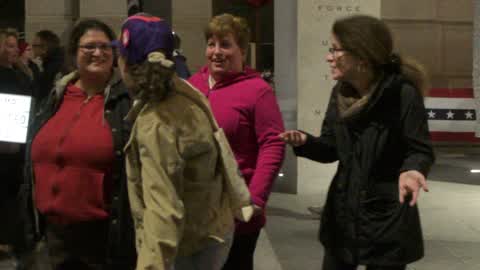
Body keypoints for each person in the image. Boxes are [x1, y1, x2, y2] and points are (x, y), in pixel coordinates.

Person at [279, 15, 435, 270]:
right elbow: (331, 148)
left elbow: (420, 148)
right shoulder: (340, 92)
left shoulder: (402, 94)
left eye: (335, 50)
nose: (329, 57)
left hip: (386, 216)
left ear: (362, 55)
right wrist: (305, 142)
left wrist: (413, 169)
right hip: (343, 215)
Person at [114, 13, 249, 270]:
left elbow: (163, 212)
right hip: (211, 232)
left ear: (128, 64)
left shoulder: (156, 122)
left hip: (187, 248)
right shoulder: (186, 96)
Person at [21, 19, 136, 270]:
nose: (98, 52)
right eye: (89, 47)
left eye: (106, 47)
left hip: (101, 242)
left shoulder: (127, 102)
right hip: (50, 238)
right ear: (74, 53)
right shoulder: (56, 97)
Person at [188, 13, 286, 270]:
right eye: (211, 44)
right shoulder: (191, 85)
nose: (216, 52)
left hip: (236, 212)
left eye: (225, 44)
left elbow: (272, 146)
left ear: (242, 50)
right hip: (196, 209)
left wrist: (254, 199)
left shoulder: (257, 91)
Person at [0, 28, 33, 266]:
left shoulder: (22, 72)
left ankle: (10, 237)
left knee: (13, 190)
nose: (14, 50)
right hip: (2, 142)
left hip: (18, 142)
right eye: (9, 45)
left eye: (15, 45)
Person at [31, 30, 64, 104]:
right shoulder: (57, 60)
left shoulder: (52, 68)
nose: (32, 48)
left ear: (44, 48)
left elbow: (41, 94)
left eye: (34, 46)